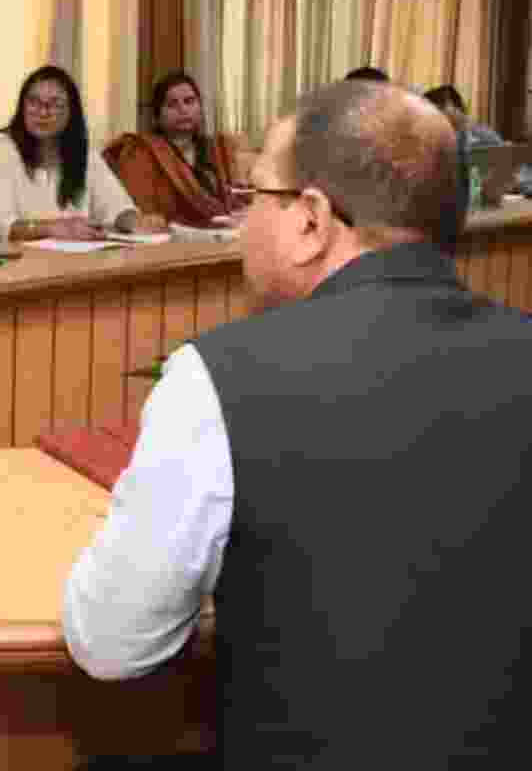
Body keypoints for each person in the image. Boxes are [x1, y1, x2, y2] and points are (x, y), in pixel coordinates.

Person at [64, 81, 532, 768]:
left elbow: (112, 642)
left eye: (257, 198)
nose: (245, 224)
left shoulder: (217, 378)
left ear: (311, 219)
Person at [0, 66, 167, 247]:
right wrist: (52, 228)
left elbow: (115, 205)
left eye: (55, 104)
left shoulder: (85, 153)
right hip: (14, 268)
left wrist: (135, 221)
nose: (42, 112)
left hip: (73, 266)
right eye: (33, 102)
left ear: (71, 113)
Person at [105, 71, 244, 227]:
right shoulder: (141, 152)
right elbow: (141, 213)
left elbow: (237, 202)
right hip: (165, 239)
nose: (183, 109)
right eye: (172, 104)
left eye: (189, 101)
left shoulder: (218, 150)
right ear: (157, 115)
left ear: (200, 108)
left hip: (223, 235)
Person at [424, 84, 532, 194]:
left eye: (441, 107)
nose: (437, 115)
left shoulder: (482, 136)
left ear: (457, 108)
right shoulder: (437, 142)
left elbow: (514, 175)